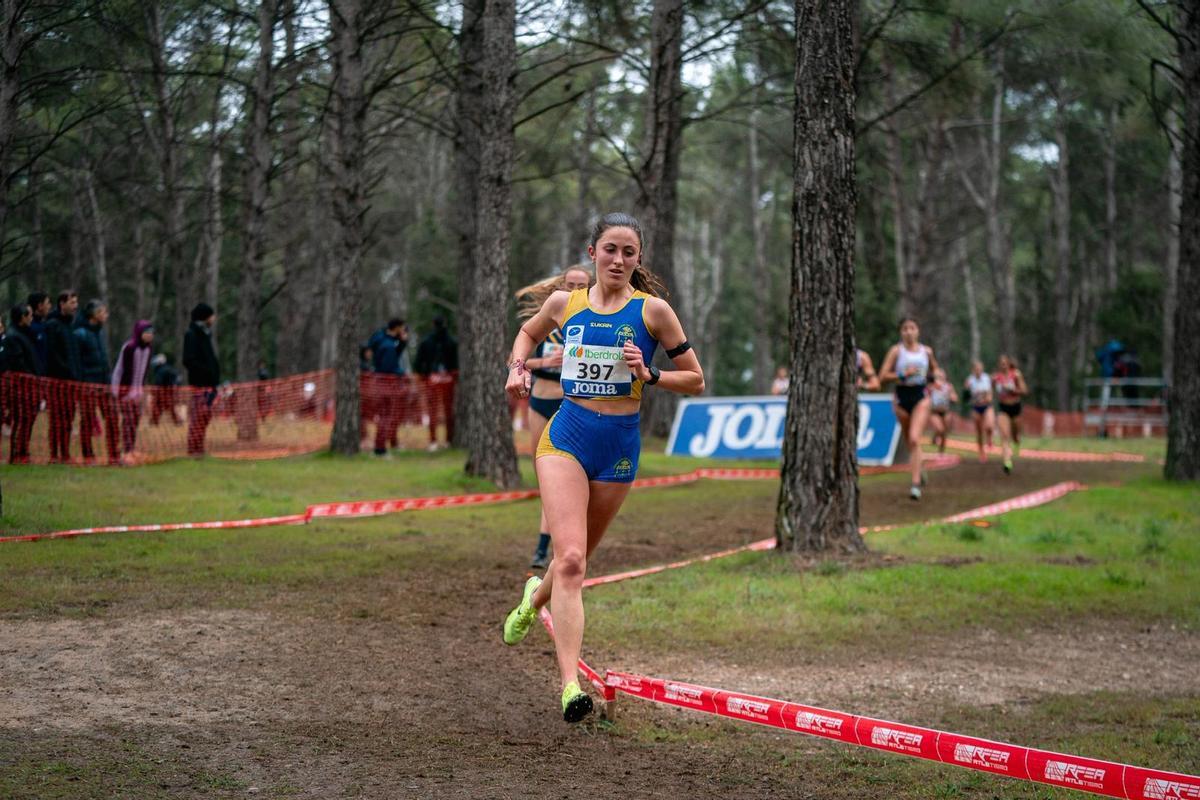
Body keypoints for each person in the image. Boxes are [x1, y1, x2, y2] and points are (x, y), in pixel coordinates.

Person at [500, 212, 704, 723]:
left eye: (629, 252)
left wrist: (651, 372)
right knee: (570, 560)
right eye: (610, 249)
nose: (618, 260)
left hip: (618, 446)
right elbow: (525, 335)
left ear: (639, 259)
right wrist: (516, 370)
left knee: (575, 557)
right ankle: (570, 687)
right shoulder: (563, 304)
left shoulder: (653, 311)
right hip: (566, 436)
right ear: (592, 252)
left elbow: (696, 379)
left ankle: (531, 603)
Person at [513, 265, 593, 569]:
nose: (574, 290)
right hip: (539, 404)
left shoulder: (589, 322)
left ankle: (545, 548)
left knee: (564, 480)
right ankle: (551, 545)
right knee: (545, 479)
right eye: (569, 284)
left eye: (580, 285)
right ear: (561, 286)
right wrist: (546, 360)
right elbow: (518, 360)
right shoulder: (550, 319)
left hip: (568, 407)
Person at [879, 318, 939, 500]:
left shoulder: (926, 351)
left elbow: (936, 371)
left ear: (918, 331)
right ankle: (920, 468)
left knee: (914, 438)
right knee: (909, 440)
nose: (909, 332)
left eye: (912, 328)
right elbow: (882, 376)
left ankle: (915, 485)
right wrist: (902, 374)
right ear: (901, 332)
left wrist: (935, 379)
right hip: (901, 398)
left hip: (920, 396)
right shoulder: (896, 351)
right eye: (905, 329)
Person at [74, 300, 119, 465]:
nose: (106, 315)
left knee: (112, 418)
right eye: (103, 312)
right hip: (87, 384)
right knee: (87, 421)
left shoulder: (100, 333)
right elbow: (77, 361)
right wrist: (82, 382)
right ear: (94, 315)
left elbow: (103, 359)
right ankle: (88, 456)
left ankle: (114, 455)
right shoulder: (80, 334)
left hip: (104, 384)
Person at [413, 315, 459, 451]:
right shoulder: (451, 341)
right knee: (448, 411)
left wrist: (423, 373)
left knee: (433, 411)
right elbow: (456, 363)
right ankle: (448, 440)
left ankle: (433, 441)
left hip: (431, 380)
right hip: (448, 380)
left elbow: (418, 362)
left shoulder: (427, 341)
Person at [45, 290, 82, 462]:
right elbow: (52, 353)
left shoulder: (70, 325)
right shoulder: (52, 325)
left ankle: (65, 453)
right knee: (56, 418)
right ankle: (54, 454)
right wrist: (65, 370)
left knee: (68, 417)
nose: (75, 306)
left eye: (76, 302)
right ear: (62, 304)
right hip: (57, 380)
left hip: (71, 381)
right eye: (72, 302)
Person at [111, 320, 154, 459]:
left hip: (138, 393)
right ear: (139, 332)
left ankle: (131, 448)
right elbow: (119, 369)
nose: (149, 335)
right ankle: (126, 450)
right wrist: (115, 390)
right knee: (128, 420)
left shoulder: (148, 349)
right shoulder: (129, 348)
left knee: (135, 420)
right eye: (146, 332)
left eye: (151, 333)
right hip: (125, 392)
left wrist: (143, 392)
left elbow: (144, 373)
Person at [5, 304, 42, 463]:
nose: (32, 318)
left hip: (30, 385)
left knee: (28, 419)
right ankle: (16, 453)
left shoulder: (26, 334)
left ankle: (23, 451)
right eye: (29, 315)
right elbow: (18, 362)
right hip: (22, 386)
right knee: (21, 419)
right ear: (22, 318)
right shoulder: (13, 336)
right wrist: (30, 377)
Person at [367, 318, 409, 456]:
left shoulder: (381, 339)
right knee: (386, 416)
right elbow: (389, 366)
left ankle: (381, 446)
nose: (403, 331)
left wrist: (402, 343)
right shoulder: (388, 346)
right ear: (396, 328)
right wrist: (400, 373)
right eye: (402, 328)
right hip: (387, 383)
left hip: (379, 381)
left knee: (384, 415)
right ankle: (380, 449)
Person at [183, 303, 220, 457]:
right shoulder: (191, 334)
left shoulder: (206, 334)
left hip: (210, 384)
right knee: (198, 417)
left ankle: (200, 447)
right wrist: (205, 372)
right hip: (199, 384)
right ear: (205, 317)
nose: (214, 318)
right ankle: (193, 449)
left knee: (205, 416)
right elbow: (188, 360)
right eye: (212, 315)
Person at [993, 354, 1028, 474]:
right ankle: (1007, 462)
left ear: (1008, 363)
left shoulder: (1016, 374)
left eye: (1005, 363)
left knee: (1016, 436)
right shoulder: (996, 378)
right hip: (1003, 408)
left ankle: (1017, 444)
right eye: (1001, 363)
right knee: (1004, 435)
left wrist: (1013, 390)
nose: (1003, 365)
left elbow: (1024, 390)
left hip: (1015, 407)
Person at [963, 359, 995, 464]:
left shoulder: (986, 378)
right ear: (973, 370)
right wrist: (966, 390)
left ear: (982, 369)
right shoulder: (969, 380)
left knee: (989, 426)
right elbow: (965, 398)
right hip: (976, 407)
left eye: (980, 369)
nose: (978, 371)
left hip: (987, 406)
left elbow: (990, 394)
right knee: (979, 432)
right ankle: (982, 453)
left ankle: (989, 438)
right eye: (976, 369)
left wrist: (987, 398)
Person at [926, 368, 957, 452]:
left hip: (945, 411)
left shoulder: (948, 386)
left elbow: (955, 397)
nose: (941, 377)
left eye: (942, 375)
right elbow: (925, 396)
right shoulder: (931, 386)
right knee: (940, 429)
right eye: (939, 376)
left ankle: (941, 452)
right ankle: (935, 437)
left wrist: (952, 397)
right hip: (934, 412)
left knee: (944, 433)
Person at [149, 353, 183, 426]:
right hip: (170, 391)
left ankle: (154, 421)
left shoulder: (161, 370)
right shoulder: (169, 368)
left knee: (159, 406)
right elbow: (178, 378)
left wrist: (155, 391)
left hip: (164, 392)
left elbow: (158, 382)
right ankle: (178, 421)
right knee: (168, 407)